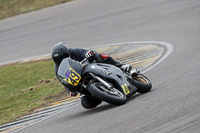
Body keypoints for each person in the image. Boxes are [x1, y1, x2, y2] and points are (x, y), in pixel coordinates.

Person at [51, 42, 132, 109]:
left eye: (62, 58)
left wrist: (90, 54)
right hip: (81, 83)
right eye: (58, 60)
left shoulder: (74, 52)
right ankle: (101, 94)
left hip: (90, 67)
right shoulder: (58, 70)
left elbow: (88, 52)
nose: (60, 61)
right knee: (86, 103)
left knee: (102, 56)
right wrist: (71, 91)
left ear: (68, 53)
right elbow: (64, 83)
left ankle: (121, 66)